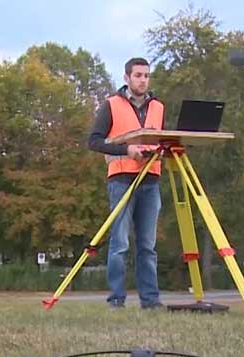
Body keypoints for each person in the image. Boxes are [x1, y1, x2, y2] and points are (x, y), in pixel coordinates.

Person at [87, 57, 164, 309]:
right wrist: (126, 150)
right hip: (121, 178)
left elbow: (160, 138)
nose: (143, 79)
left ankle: (150, 301)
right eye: (138, 75)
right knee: (120, 243)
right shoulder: (111, 105)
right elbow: (94, 141)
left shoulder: (158, 107)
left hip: (151, 179)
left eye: (146, 75)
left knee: (147, 246)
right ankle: (116, 299)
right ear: (127, 78)